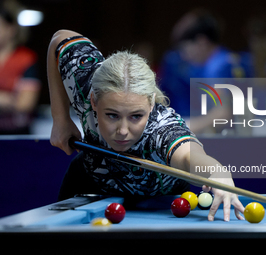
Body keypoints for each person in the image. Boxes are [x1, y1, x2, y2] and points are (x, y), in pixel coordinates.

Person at [47, 29, 244, 222]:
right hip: (90, 183)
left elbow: (188, 157)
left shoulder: (162, 128)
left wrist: (218, 173)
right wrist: (61, 119)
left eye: (135, 116)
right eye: (112, 115)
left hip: (161, 200)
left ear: (150, 104)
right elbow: (59, 38)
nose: (123, 131)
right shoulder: (85, 84)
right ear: (94, 100)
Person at [0, 4, 41, 134]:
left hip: (16, 133)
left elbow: (25, 104)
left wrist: (13, 102)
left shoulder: (26, 59)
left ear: (10, 29)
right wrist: (6, 99)